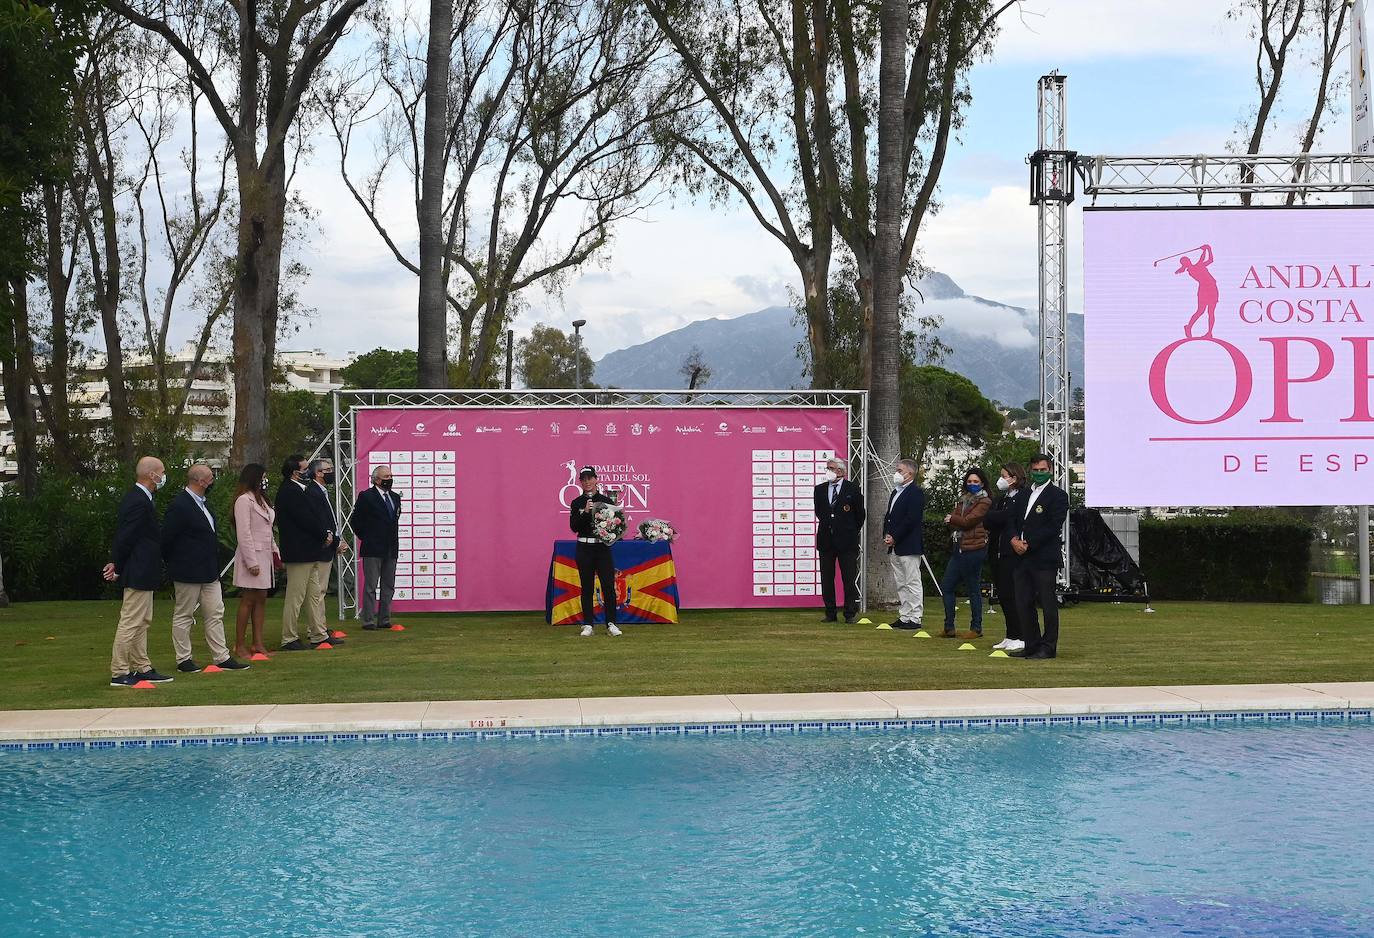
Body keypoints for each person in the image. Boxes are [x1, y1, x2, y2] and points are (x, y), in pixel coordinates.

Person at [162, 464, 249, 673]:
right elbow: (166, 539)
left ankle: (221, 656)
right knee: (184, 614)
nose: (212, 481)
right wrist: (176, 563)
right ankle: (184, 659)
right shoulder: (180, 505)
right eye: (210, 478)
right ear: (199, 481)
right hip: (188, 571)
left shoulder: (204, 505)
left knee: (215, 612)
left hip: (209, 570)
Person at [103, 456, 175, 686]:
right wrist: (117, 563)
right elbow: (126, 536)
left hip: (145, 569)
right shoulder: (137, 500)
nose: (163, 476)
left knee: (143, 620)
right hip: (138, 568)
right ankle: (119, 670)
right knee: (131, 620)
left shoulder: (145, 499)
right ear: (151, 475)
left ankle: (141, 666)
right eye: (161, 472)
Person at [1008, 453, 1070, 660]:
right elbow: (1012, 520)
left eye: (1043, 470)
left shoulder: (1058, 496)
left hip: (1043, 558)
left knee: (1047, 603)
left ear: (1050, 470)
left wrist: (1029, 543)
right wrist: (1014, 540)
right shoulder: (1023, 494)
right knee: (1023, 602)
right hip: (1020, 557)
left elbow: (1053, 526)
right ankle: (1031, 644)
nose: (1039, 473)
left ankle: (1048, 646)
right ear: (1030, 470)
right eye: (1035, 470)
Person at [274, 455, 337, 650]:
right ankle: (289, 637)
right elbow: (305, 520)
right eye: (305, 468)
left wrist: (324, 534)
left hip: (309, 551)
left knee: (313, 594)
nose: (308, 472)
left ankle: (318, 633)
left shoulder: (299, 490)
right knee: (296, 596)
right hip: (298, 552)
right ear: (295, 472)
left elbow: (311, 519)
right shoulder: (290, 491)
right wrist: (323, 534)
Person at [984, 462, 1034, 653]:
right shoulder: (1001, 498)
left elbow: (1013, 518)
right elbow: (989, 519)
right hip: (997, 551)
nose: (1001, 479)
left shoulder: (1023, 497)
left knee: (1015, 596)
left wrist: (1002, 517)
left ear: (1014, 477)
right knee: (1004, 596)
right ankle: (1011, 634)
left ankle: (1021, 635)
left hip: (1013, 553)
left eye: (1004, 475)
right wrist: (1001, 516)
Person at [568, 466, 622, 638]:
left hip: (602, 548)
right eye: (584, 479)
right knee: (587, 587)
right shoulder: (576, 503)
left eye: (590, 478)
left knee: (608, 586)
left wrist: (613, 533)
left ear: (596, 479)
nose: (587, 482)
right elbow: (574, 527)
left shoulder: (606, 500)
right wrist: (585, 512)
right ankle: (588, 624)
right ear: (580, 482)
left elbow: (615, 524)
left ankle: (611, 623)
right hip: (584, 548)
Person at [231, 463, 278, 659]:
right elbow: (244, 533)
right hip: (251, 556)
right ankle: (239, 644)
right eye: (263, 477)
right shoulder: (244, 501)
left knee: (261, 599)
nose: (265, 480)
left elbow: (267, 531)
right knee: (248, 599)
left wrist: (276, 553)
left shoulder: (263, 501)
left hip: (265, 554)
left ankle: (258, 643)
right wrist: (251, 562)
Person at [348, 464, 402, 632]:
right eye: (386, 477)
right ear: (376, 479)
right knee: (371, 585)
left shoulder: (395, 497)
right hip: (372, 548)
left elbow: (394, 520)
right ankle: (368, 620)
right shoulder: (366, 496)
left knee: (389, 585)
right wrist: (367, 537)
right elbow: (356, 521)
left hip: (391, 547)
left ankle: (384, 619)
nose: (389, 480)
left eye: (391, 476)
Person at [940, 468, 992, 639]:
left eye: (975, 482)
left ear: (982, 483)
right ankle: (949, 627)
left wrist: (954, 519)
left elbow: (969, 521)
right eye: (969, 481)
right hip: (959, 547)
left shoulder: (985, 501)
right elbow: (957, 522)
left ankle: (976, 627)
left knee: (972, 588)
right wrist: (957, 521)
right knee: (947, 586)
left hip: (974, 549)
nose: (972, 484)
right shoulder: (962, 500)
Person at [813, 457, 865, 623]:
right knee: (827, 579)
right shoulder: (819, 489)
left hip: (847, 541)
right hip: (826, 540)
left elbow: (860, 515)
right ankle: (830, 613)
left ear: (841, 471)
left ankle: (850, 613)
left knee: (848, 578)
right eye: (827, 468)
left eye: (831, 468)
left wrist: (849, 530)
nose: (828, 470)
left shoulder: (853, 488)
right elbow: (820, 512)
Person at [881, 458, 925, 630]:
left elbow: (911, 519)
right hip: (895, 544)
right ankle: (905, 615)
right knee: (901, 582)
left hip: (909, 544)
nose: (897, 473)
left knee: (912, 581)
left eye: (900, 470)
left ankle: (915, 617)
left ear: (910, 473)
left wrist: (896, 536)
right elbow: (889, 516)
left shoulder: (915, 492)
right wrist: (887, 534)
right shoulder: (895, 491)